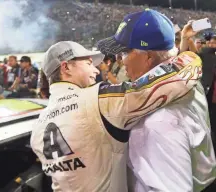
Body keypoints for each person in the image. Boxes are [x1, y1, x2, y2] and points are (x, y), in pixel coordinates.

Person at [31, 40, 200, 192]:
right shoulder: (97, 100)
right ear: (66, 67)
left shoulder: (37, 127)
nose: (95, 69)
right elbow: (169, 82)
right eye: (88, 63)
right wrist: (191, 55)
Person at [97, 9, 216, 192]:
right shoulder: (187, 80)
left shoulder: (154, 122)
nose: (120, 61)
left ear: (148, 57)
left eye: (124, 53)